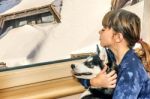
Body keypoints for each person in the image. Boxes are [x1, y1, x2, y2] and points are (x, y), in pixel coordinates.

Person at [97, 9, 150, 98]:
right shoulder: (114, 58)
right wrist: (94, 82)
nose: (99, 32)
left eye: (103, 29)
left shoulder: (130, 71)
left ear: (118, 37)